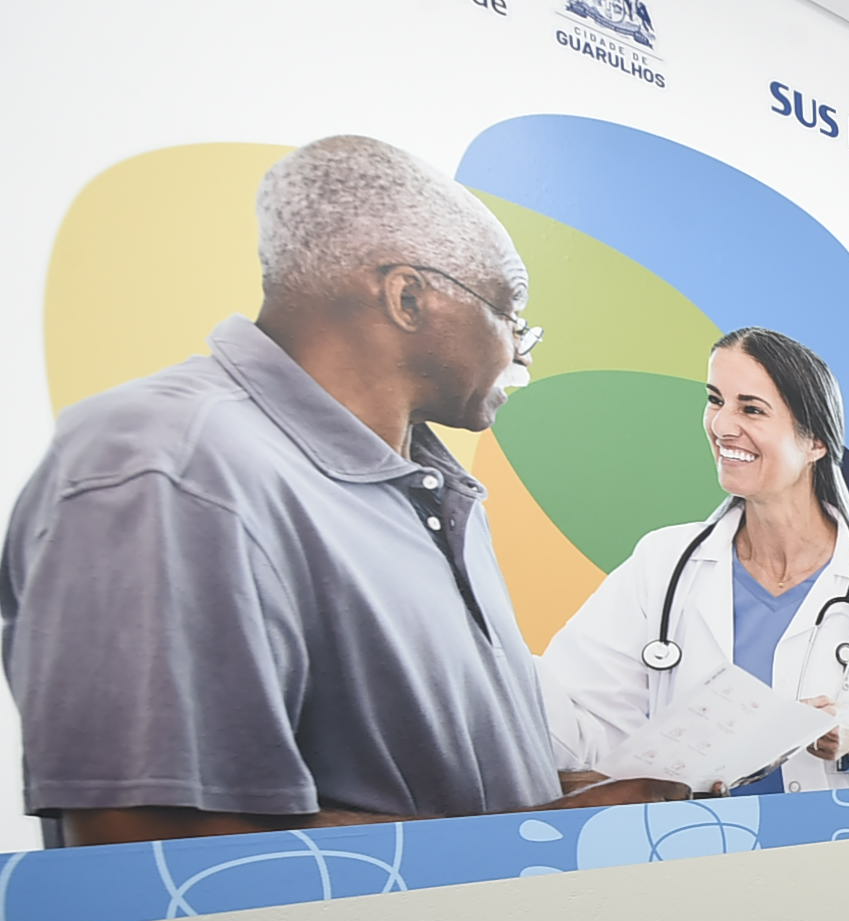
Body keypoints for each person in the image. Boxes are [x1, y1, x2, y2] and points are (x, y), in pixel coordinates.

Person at [0, 134, 685, 847]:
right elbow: (140, 842)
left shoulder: (430, 491)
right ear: (408, 297)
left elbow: (413, 793)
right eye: (510, 316)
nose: (520, 350)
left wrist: (555, 796)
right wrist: (528, 833)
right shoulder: (168, 467)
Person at [540, 327, 849, 791]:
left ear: (816, 441)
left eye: (751, 409)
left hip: (832, 838)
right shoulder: (662, 564)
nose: (721, 425)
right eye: (715, 400)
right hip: (692, 837)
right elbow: (575, 720)